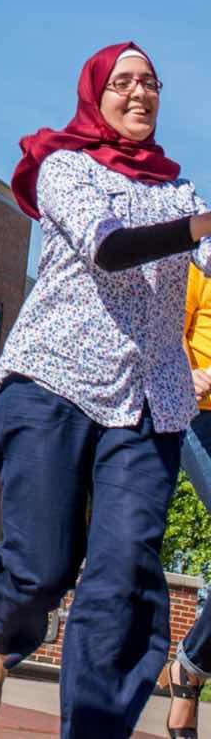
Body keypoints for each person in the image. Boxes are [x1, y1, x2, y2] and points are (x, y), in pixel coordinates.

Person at [0, 44, 210, 738]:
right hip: (53, 384)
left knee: (125, 573)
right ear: (95, 95)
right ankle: (1, 640)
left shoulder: (180, 190)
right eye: (123, 82)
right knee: (41, 566)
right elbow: (111, 248)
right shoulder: (63, 168)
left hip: (148, 405)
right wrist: (199, 229)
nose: (139, 93)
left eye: (151, 83)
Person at [162, 263, 211, 737]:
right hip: (201, 417)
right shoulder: (202, 260)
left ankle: (190, 667)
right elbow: (170, 330)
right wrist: (190, 374)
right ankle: (190, 667)